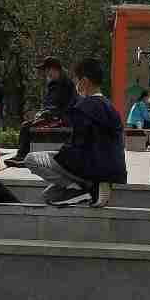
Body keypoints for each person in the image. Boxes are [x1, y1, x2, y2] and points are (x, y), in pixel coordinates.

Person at [26, 60, 128, 208]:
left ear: (84, 81)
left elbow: (77, 145)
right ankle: (88, 187)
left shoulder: (84, 107)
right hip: (113, 170)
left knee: (31, 159)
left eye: (75, 79)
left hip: (91, 168)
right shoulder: (110, 107)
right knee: (49, 195)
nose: (75, 84)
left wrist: (59, 157)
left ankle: (83, 189)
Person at [6, 55, 76, 165]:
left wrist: (46, 113)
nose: (46, 73)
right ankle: (22, 155)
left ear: (55, 69)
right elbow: (49, 105)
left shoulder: (66, 84)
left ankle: (22, 156)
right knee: (28, 124)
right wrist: (39, 113)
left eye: (48, 70)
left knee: (27, 126)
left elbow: (63, 106)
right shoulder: (53, 84)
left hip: (61, 118)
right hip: (51, 116)